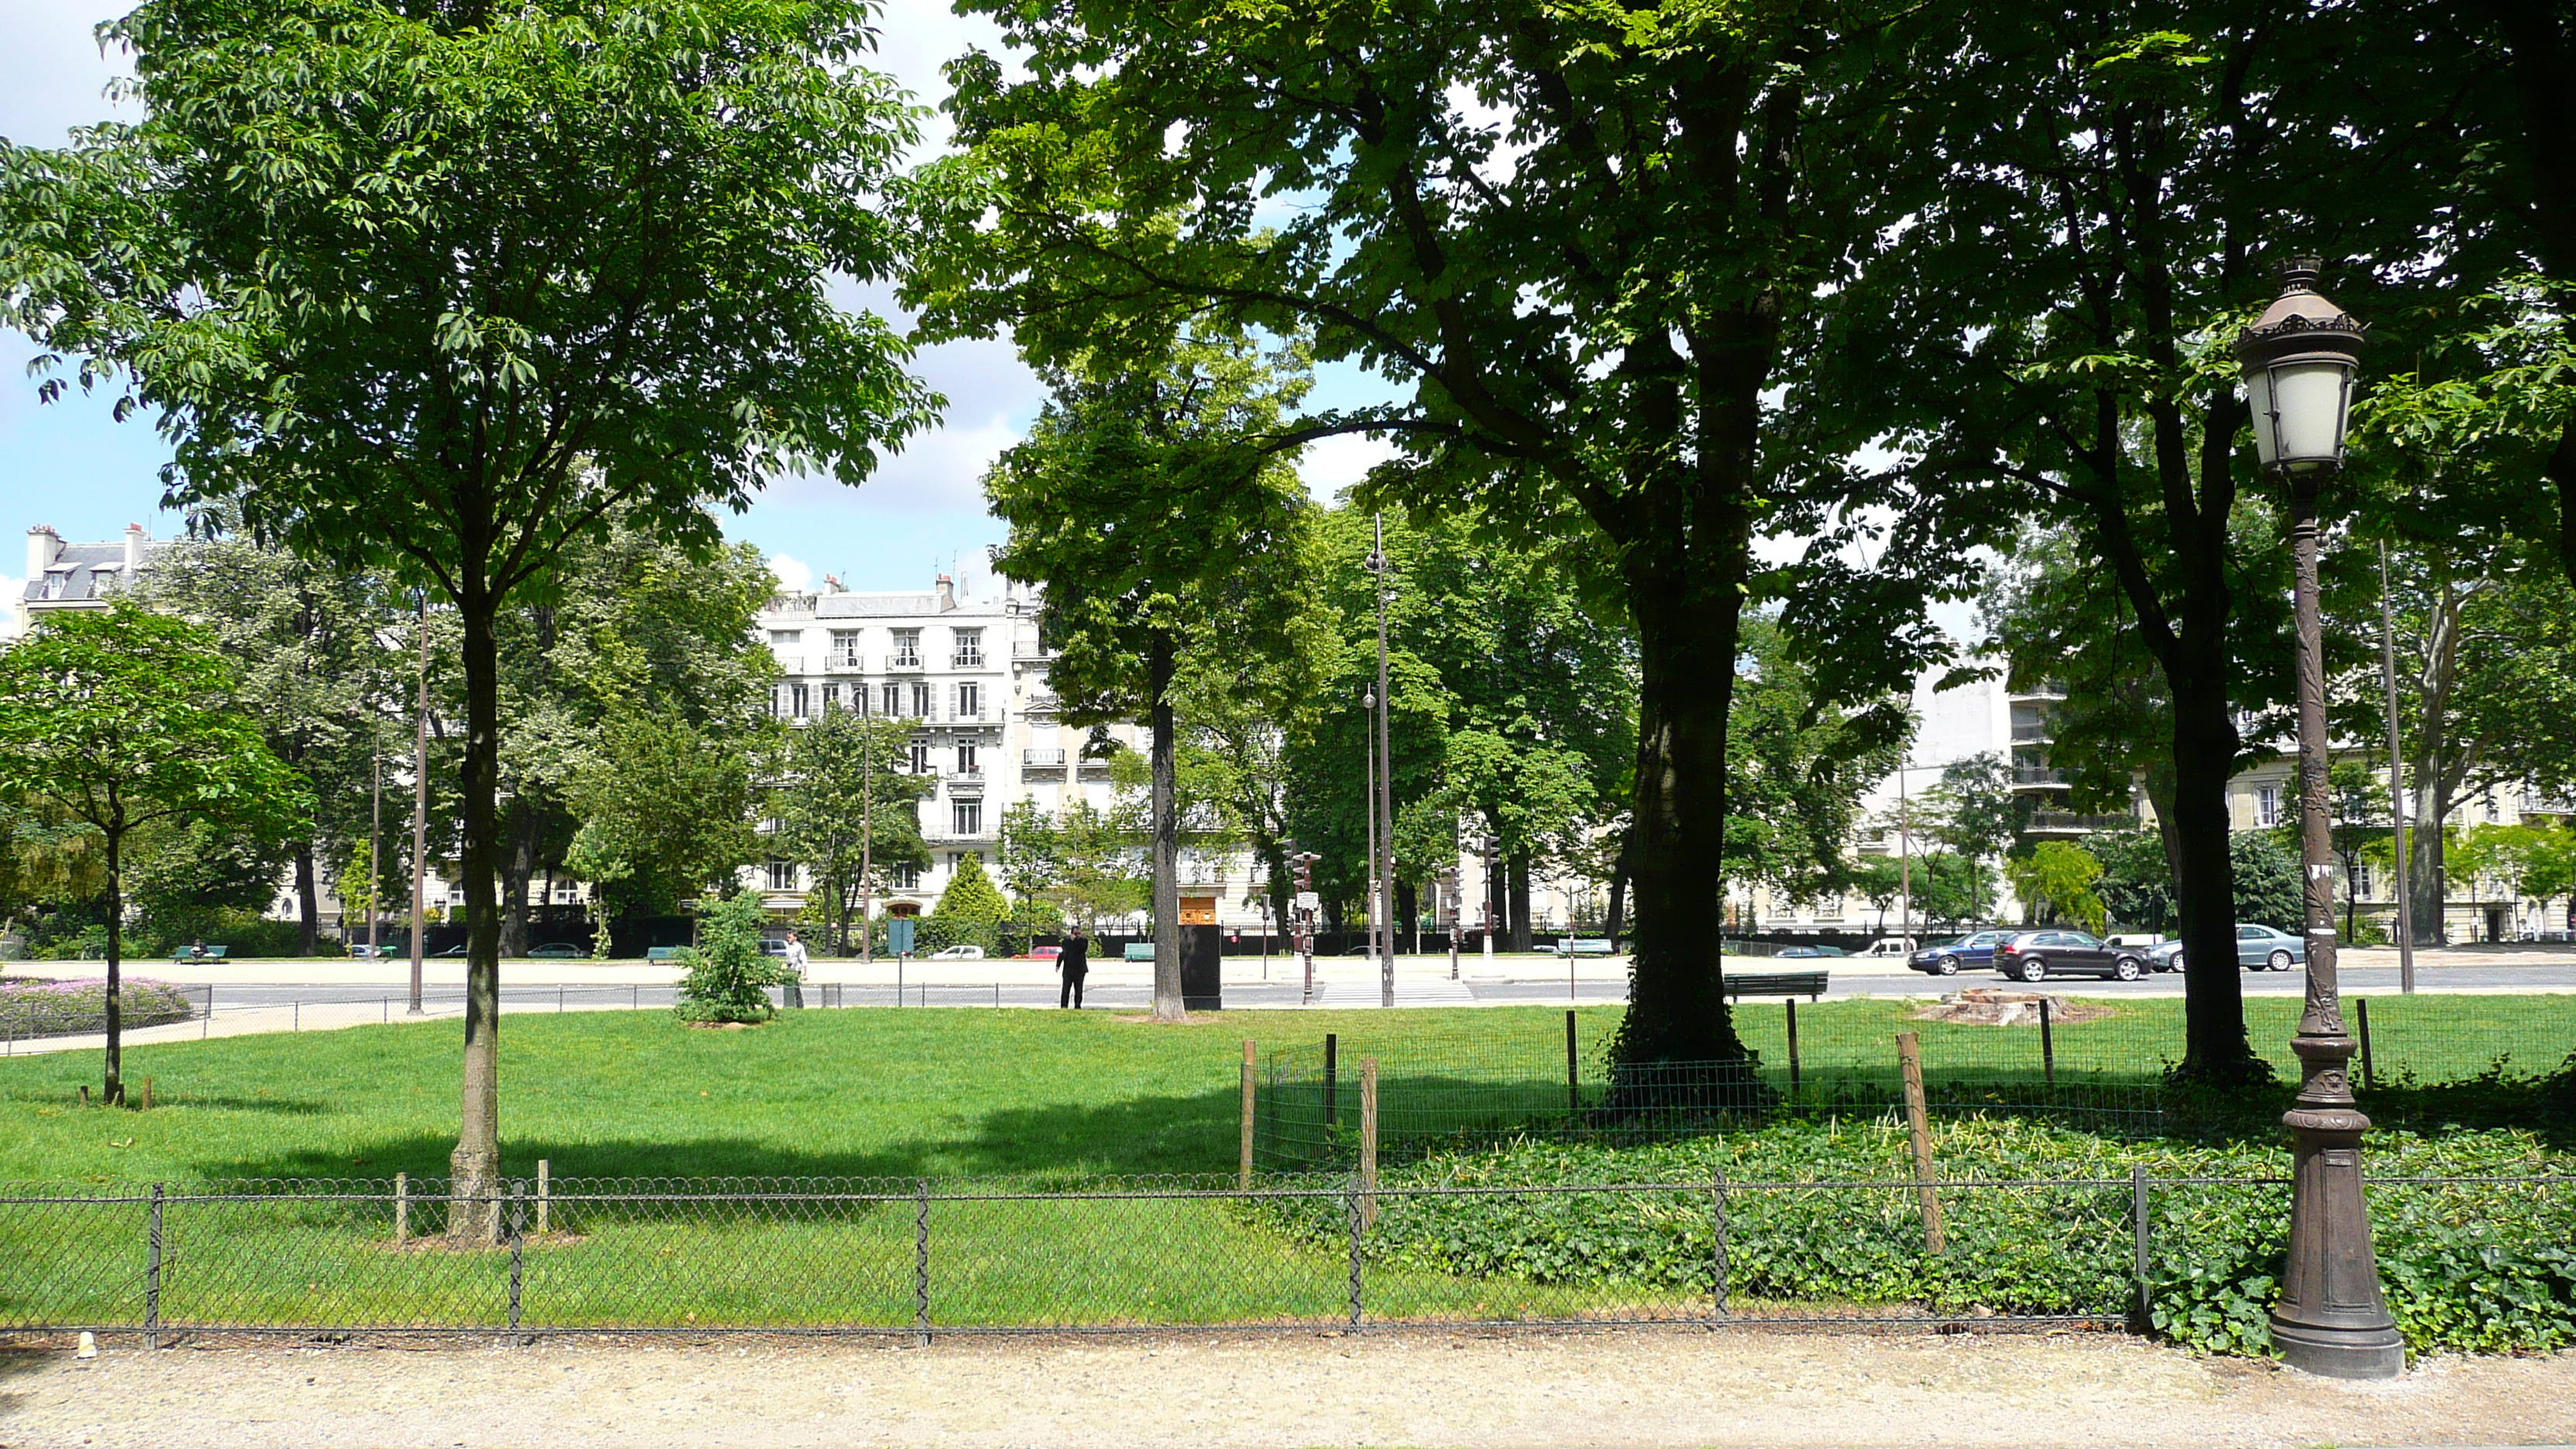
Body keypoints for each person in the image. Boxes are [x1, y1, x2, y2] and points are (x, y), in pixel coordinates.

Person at [1057, 925, 1089, 1009]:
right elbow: (1064, 952)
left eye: (1079, 933)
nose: (1077, 935)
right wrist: (1058, 964)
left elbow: (1082, 949)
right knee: (1065, 989)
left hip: (1080, 969)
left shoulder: (1084, 941)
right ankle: (1064, 1006)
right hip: (1068, 969)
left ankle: (1077, 1006)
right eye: (1075, 933)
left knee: (1079, 990)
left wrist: (1076, 940)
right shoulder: (1066, 942)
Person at [782, 929, 808, 1010]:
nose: (788, 938)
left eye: (790, 937)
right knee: (787, 987)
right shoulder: (788, 946)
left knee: (796, 988)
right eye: (788, 937)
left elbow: (804, 960)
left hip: (796, 970)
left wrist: (805, 973)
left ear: (795, 937)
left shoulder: (799, 947)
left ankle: (800, 1006)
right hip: (789, 969)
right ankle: (787, 1004)